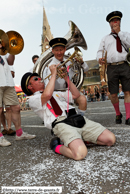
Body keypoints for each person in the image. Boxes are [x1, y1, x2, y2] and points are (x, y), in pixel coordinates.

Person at [21, 66, 116, 161]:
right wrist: (53, 74)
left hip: (76, 118)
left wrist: (66, 78)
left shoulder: (55, 93)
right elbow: (47, 95)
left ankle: (81, 139)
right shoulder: (32, 99)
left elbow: (76, 95)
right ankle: (56, 146)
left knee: (110, 139)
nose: (40, 79)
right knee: (80, 154)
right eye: (36, 79)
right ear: (30, 86)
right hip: (61, 123)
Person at [97, 11, 130, 125]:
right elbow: (100, 51)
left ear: (120, 22)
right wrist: (99, 58)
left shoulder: (126, 34)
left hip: (124, 64)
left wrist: (119, 33)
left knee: (127, 91)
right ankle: (118, 113)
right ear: (109, 24)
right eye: (112, 21)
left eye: (117, 20)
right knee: (113, 94)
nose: (115, 22)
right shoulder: (105, 38)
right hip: (111, 67)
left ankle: (128, 116)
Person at [0, 43, 36, 147]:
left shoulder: (4, 51)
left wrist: (12, 51)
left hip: (8, 83)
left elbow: (10, 62)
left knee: (16, 107)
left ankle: (19, 133)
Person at [44, 37, 89, 116]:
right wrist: (54, 75)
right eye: (56, 50)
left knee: (83, 100)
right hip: (57, 93)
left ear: (65, 49)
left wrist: (82, 62)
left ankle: (80, 118)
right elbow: (47, 86)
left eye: (61, 50)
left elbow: (86, 69)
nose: (59, 53)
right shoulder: (49, 66)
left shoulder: (70, 60)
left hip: (71, 91)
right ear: (52, 51)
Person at [1, 65, 16, 135]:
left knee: (8, 109)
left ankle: (9, 128)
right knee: (0, 111)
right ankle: (4, 128)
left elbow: (13, 74)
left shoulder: (6, 59)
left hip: (7, 86)